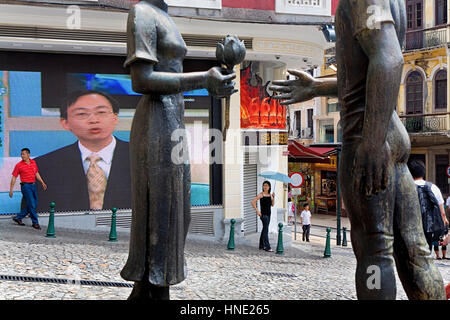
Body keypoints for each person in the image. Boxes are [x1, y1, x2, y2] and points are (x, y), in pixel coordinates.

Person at [270, 0, 446, 299]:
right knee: (414, 248)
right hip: (389, 133)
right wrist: (318, 88)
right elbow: (367, 74)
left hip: (367, 134)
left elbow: (389, 60)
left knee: (374, 246)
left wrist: (372, 142)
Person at [120, 0, 237, 300]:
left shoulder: (163, 14)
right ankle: (155, 290)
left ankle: (155, 289)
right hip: (156, 122)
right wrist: (203, 79)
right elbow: (141, 80)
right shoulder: (142, 13)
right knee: (160, 218)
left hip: (173, 120)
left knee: (175, 218)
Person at [32, 90, 131, 212]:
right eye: (82, 114)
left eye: (101, 112)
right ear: (66, 123)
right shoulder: (43, 167)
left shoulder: (145, 159)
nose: (94, 120)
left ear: (115, 118)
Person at [408, 160, 449, 260]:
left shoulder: (406, 187)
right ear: (423, 172)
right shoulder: (433, 187)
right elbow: (442, 213)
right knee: (427, 253)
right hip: (429, 228)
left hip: (411, 227)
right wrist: (443, 228)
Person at [9, 148, 47, 229]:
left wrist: (42, 182)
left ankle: (18, 217)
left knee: (34, 204)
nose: (22, 156)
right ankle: (35, 223)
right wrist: (11, 189)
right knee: (32, 204)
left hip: (33, 185)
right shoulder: (19, 165)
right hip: (25, 186)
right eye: (21, 154)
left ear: (28, 154)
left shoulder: (33, 162)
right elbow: (14, 177)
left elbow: (36, 173)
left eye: (23, 154)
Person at [251, 181, 275, 252]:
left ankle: (261, 245)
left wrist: (273, 197)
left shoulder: (270, 195)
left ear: (269, 187)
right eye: (264, 185)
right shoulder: (261, 195)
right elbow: (253, 202)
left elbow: (272, 205)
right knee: (266, 230)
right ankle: (267, 246)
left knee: (264, 229)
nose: (265, 187)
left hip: (269, 214)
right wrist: (257, 211)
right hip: (263, 215)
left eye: (267, 186)